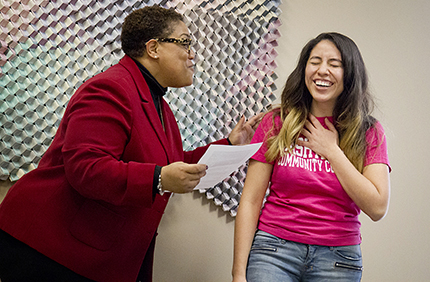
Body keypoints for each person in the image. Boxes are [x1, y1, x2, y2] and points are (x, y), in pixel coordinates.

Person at [0, 5, 263, 282]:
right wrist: (159, 179)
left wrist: (230, 143)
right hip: (51, 249)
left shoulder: (158, 103)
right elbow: (86, 168)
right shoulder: (110, 88)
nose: (192, 54)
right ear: (153, 48)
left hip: (95, 256)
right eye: (185, 43)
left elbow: (170, 163)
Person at [232, 32, 391, 282]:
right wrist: (238, 274)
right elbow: (250, 201)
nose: (322, 71)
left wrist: (332, 151)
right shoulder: (276, 122)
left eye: (334, 64)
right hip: (273, 251)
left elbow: (377, 207)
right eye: (315, 61)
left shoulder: (368, 131)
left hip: (338, 259)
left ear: (349, 73)